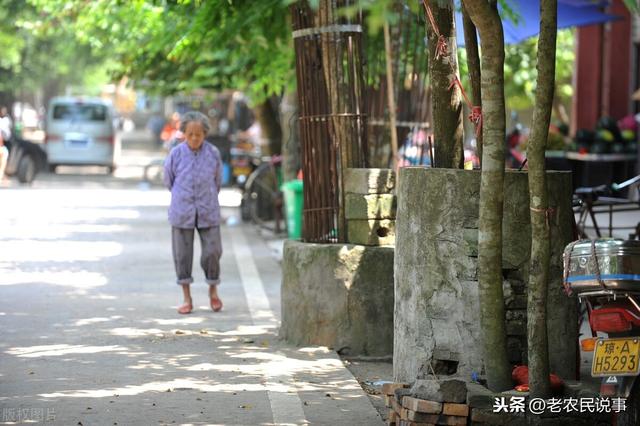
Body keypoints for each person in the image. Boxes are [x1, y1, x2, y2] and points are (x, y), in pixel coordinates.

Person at [163, 111, 223, 314]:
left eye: (199, 134)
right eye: (190, 134)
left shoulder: (213, 153)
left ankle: (213, 291)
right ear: (184, 134)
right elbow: (168, 180)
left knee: (213, 251)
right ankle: (187, 298)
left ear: (205, 134)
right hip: (182, 210)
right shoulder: (176, 154)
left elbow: (218, 181)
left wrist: (208, 196)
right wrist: (183, 196)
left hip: (208, 209)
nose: (195, 138)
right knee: (182, 255)